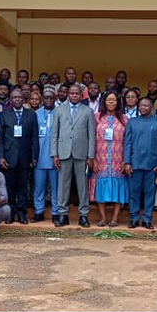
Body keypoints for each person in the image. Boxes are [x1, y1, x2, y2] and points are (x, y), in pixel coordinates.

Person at [51, 84, 97, 227]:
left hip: (81, 153)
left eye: (77, 93)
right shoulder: (59, 110)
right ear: (68, 94)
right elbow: (55, 134)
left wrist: (90, 156)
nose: (74, 95)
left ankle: (83, 215)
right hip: (63, 152)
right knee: (63, 185)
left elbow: (91, 135)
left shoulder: (88, 111)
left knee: (82, 185)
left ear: (81, 94)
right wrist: (54, 154)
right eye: (72, 93)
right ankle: (62, 214)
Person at [124, 97, 157, 229]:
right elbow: (127, 143)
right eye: (141, 106)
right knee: (134, 193)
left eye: (145, 105)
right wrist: (127, 162)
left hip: (152, 165)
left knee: (150, 193)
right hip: (135, 164)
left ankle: (148, 219)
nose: (142, 108)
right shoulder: (132, 122)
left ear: (151, 108)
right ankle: (134, 218)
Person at [0, 89, 38, 224]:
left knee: (22, 188)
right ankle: (10, 213)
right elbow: (1, 138)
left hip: (25, 158)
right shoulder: (4, 115)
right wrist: (1, 157)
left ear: (23, 99)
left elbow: (34, 138)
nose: (18, 99)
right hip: (8, 157)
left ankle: (21, 213)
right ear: (11, 99)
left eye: (20, 97)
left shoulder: (31, 115)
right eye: (15, 97)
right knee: (9, 187)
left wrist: (34, 157)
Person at [90, 91, 130, 227]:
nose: (111, 102)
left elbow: (128, 141)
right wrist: (92, 159)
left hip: (119, 159)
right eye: (108, 100)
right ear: (104, 102)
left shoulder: (124, 119)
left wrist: (126, 160)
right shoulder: (96, 118)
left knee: (118, 188)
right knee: (100, 187)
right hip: (100, 159)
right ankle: (102, 218)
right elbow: (91, 139)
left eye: (114, 100)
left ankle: (115, 218)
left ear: (118, 102)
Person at [34, 88, 59, 223]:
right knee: (39, 186)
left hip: (55, 158)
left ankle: (55, 212)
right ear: (42, 99)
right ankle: (39, 211)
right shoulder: (36, 114)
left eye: (51, 98)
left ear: (55, 99)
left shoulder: (60, 114)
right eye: (46, 98)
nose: (48, 100)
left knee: (56, 187)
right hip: (39, 157)